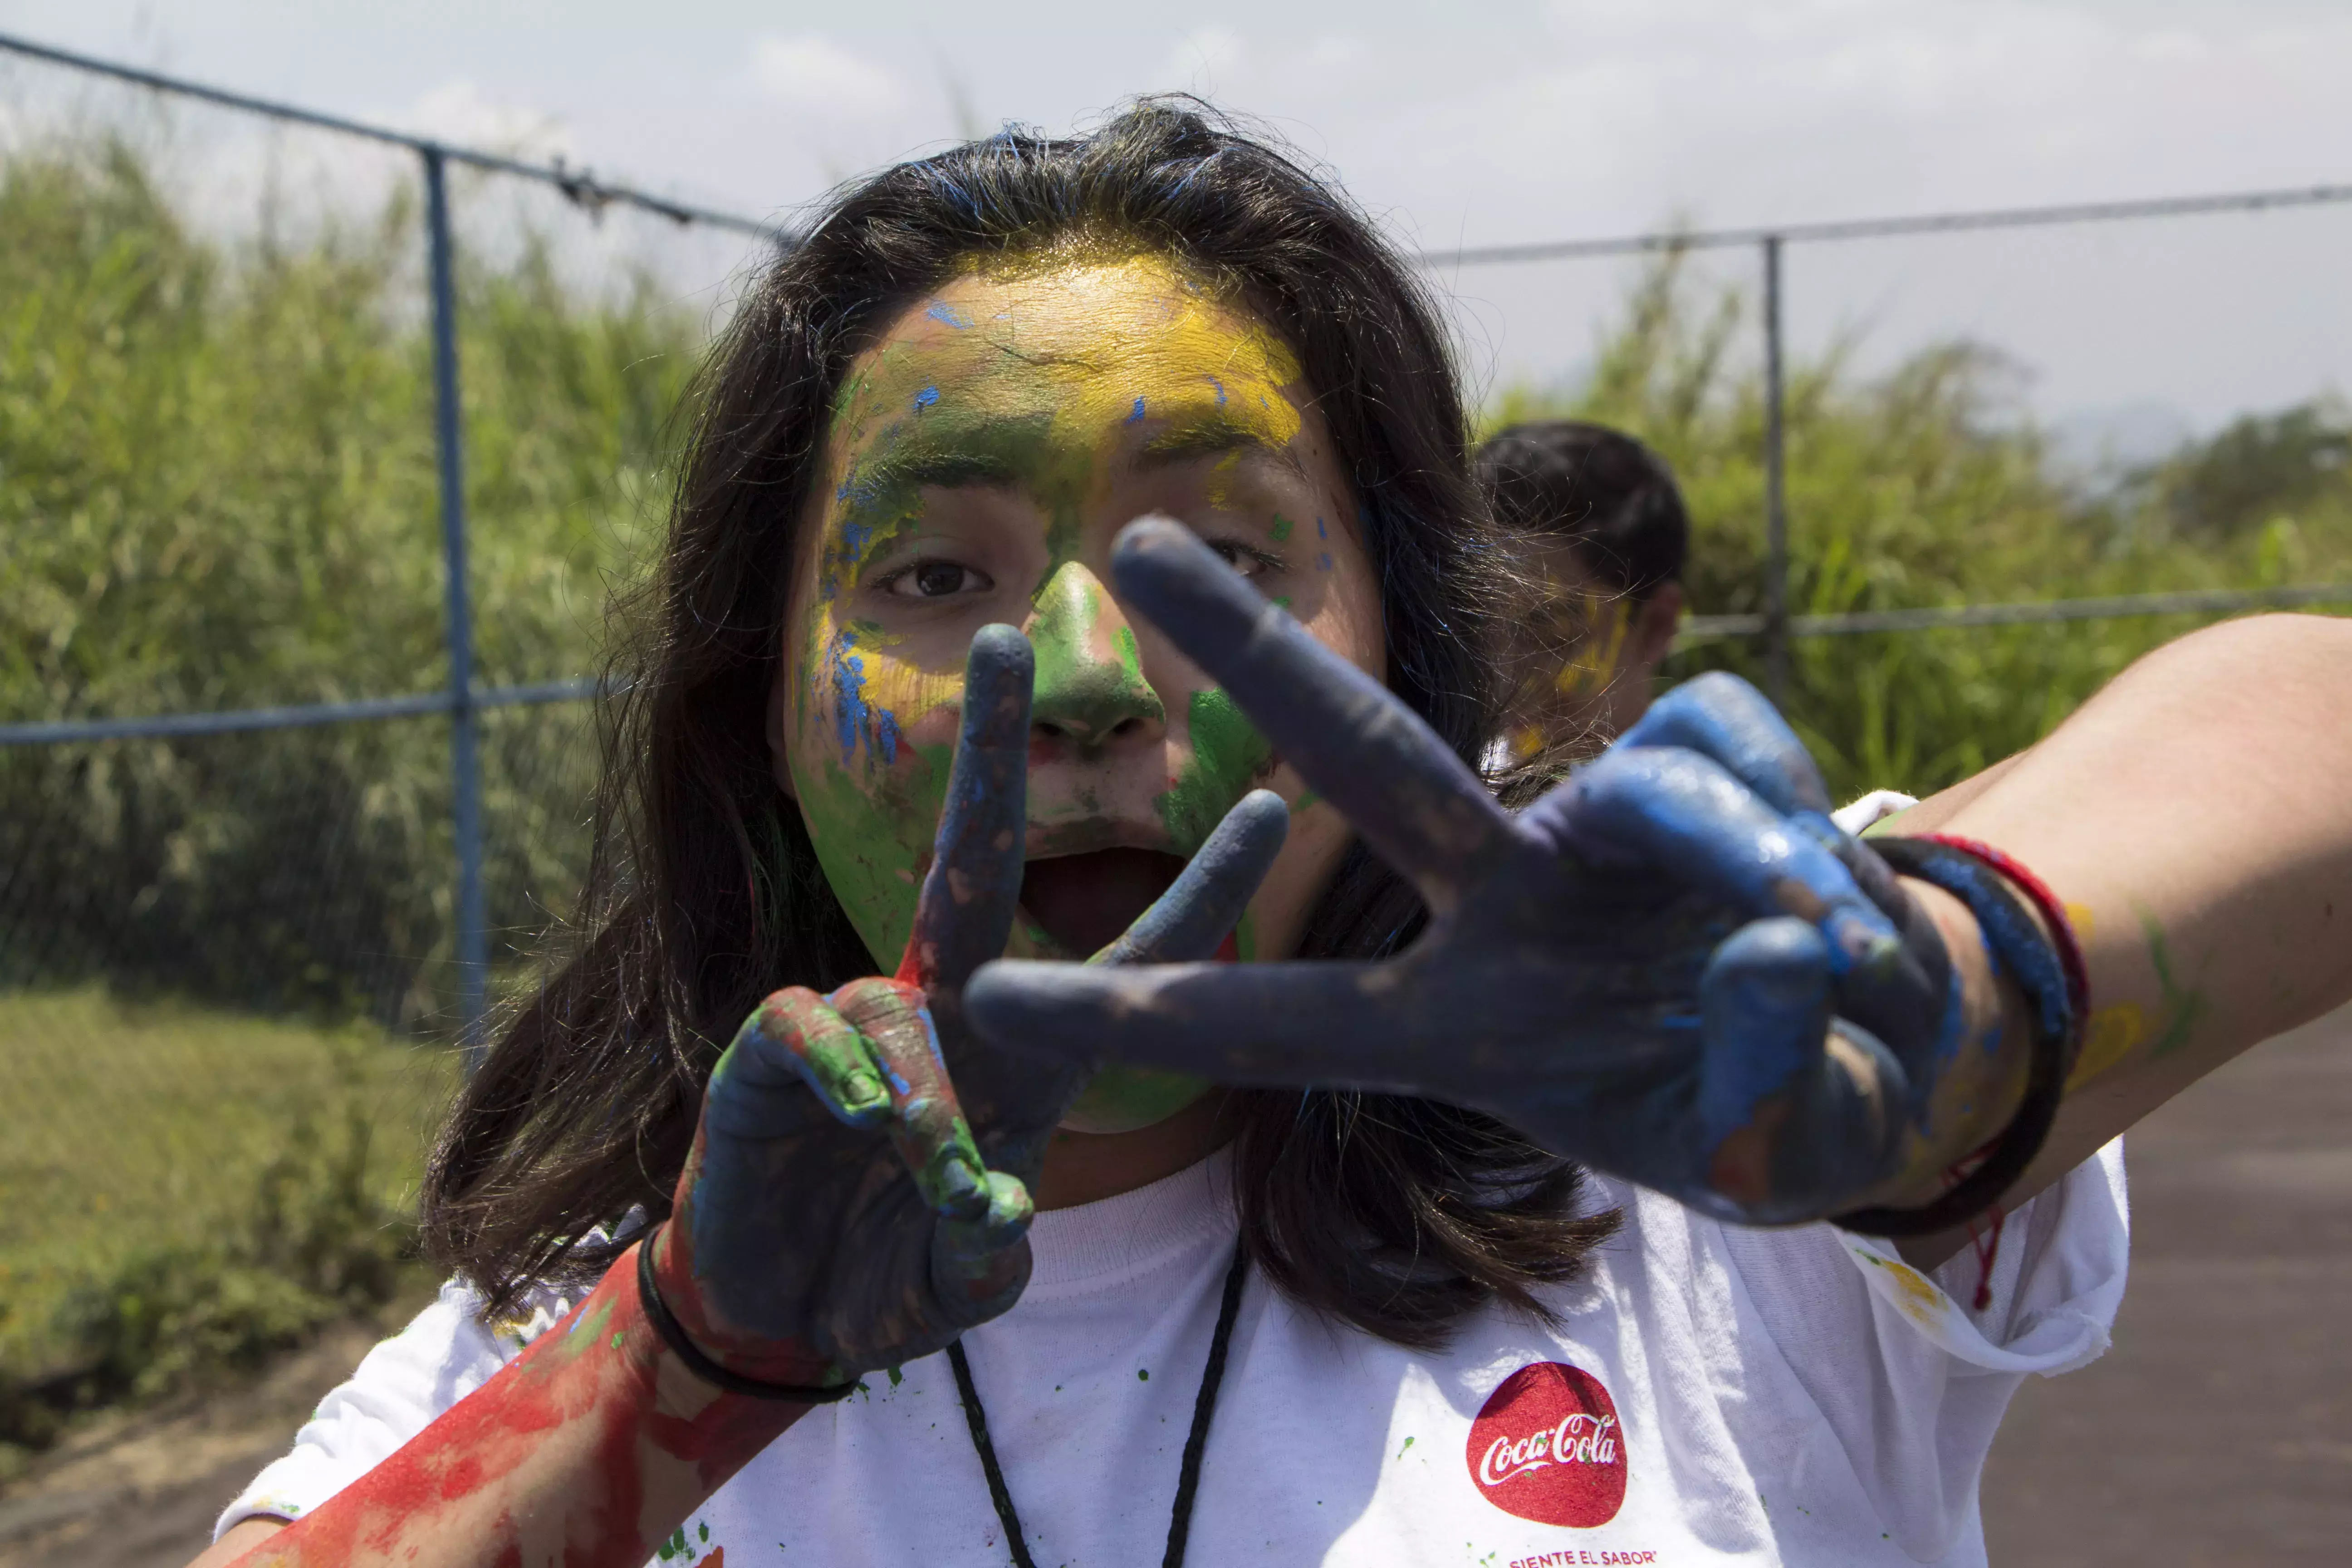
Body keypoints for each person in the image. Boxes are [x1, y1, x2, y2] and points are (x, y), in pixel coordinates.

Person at [193, 103, 2352, 1568]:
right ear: (758, 701)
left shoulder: (1682, 1156)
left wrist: (1966, 1006)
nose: (1092, 671)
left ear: (1397, 640)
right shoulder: (564, 1345)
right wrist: (687, 1359)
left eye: (1213, 550)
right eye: (932, 577)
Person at [1475, 421, 1689, 769]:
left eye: (1548, 633)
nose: (1501, 680)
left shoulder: (1709, 808)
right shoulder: (1441, 799)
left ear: (1656, 626)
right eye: (1476, 630)